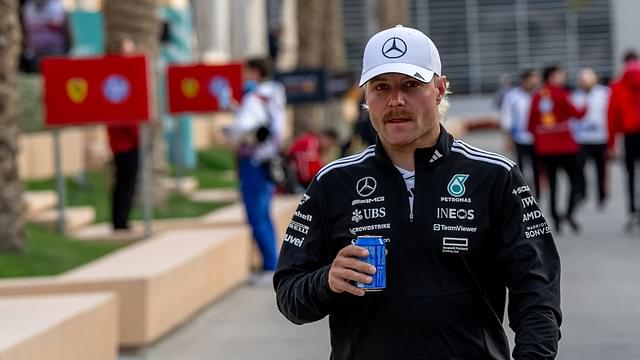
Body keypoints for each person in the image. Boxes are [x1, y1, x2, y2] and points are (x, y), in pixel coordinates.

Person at [274, 25, 561, 359]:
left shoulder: (495, 176)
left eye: (411, 85)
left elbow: (537, 290)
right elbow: (289, 296)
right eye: (381, 87)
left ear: (440, 88)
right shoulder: (333, 182)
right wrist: (327, 281)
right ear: (366, 97)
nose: (396, 100)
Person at [225, 57, 286, 271]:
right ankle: (272, 260)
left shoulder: (255, 97)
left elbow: (244, 126)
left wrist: (229, 130)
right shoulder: (274, 95)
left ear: (255, 72)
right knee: (264, 213)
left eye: (246, 71)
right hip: (269, 159)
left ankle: (270, 263)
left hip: (253, 161)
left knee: (256, 215)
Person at [528, 65, 587, 233]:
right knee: (575, 181)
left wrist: (542, 137)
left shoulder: (538, 96)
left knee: (552, 183)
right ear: (553, 76)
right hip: (565, 146)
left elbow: (530, 123)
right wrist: (586, 106)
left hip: (545, 148)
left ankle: (555, 217)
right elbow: (578, 113)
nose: (564, 77)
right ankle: (569, 212)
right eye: (561, 74)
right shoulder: (562, 94)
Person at [607, 50, 640, 231]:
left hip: (628, 136)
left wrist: (612, 143)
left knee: (630, 175)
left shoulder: (617, 85)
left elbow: (612, 116)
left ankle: (632, 210)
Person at [570, 68, 611, 209]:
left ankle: (602, 195)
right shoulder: (574, 96)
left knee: (601, 169)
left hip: (600, 138)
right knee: (579, 168)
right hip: (581, 138)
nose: (584, 83)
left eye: (587, 80)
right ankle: (582, 192)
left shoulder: (605, 94)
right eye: (582, 80)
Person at [500, 69, 542, 197]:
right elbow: (507, 117)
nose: (535, 83)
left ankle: (538, 194)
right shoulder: (513, 96)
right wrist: (507, 138)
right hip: (520, 138)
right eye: (532, 80)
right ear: (525, 81)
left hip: (537, 138)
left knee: (537, 167)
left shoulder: (540, 95)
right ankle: (523, 193)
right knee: (520, 167)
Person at [21, 0, 70, 72]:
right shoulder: (28, 7)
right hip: (35, 53)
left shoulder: (58, 6)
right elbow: (24, 31)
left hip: (55, 52)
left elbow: (67, 30)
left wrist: (68, 47)